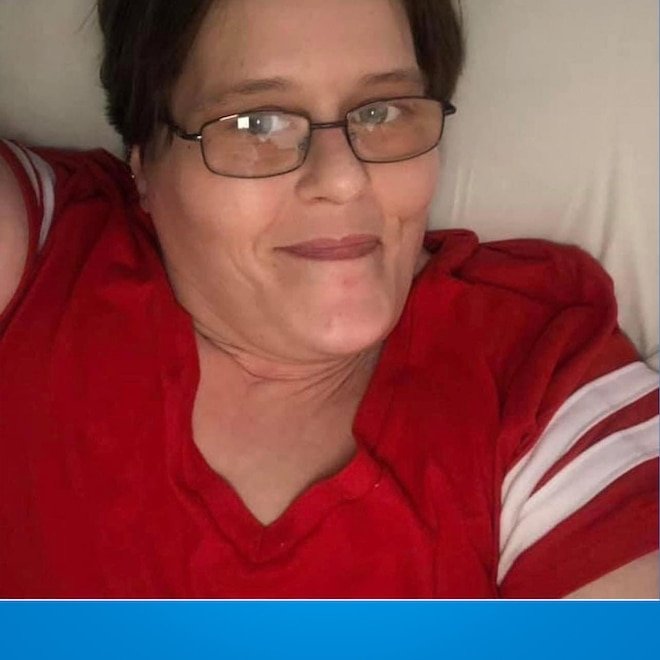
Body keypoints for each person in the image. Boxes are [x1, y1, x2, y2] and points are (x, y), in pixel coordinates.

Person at [0, 0, 657, 598]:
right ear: (144, 163)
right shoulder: (51, 252)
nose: (343, 180)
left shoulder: (539, 375)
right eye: (255, 123)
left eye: (382, 112)